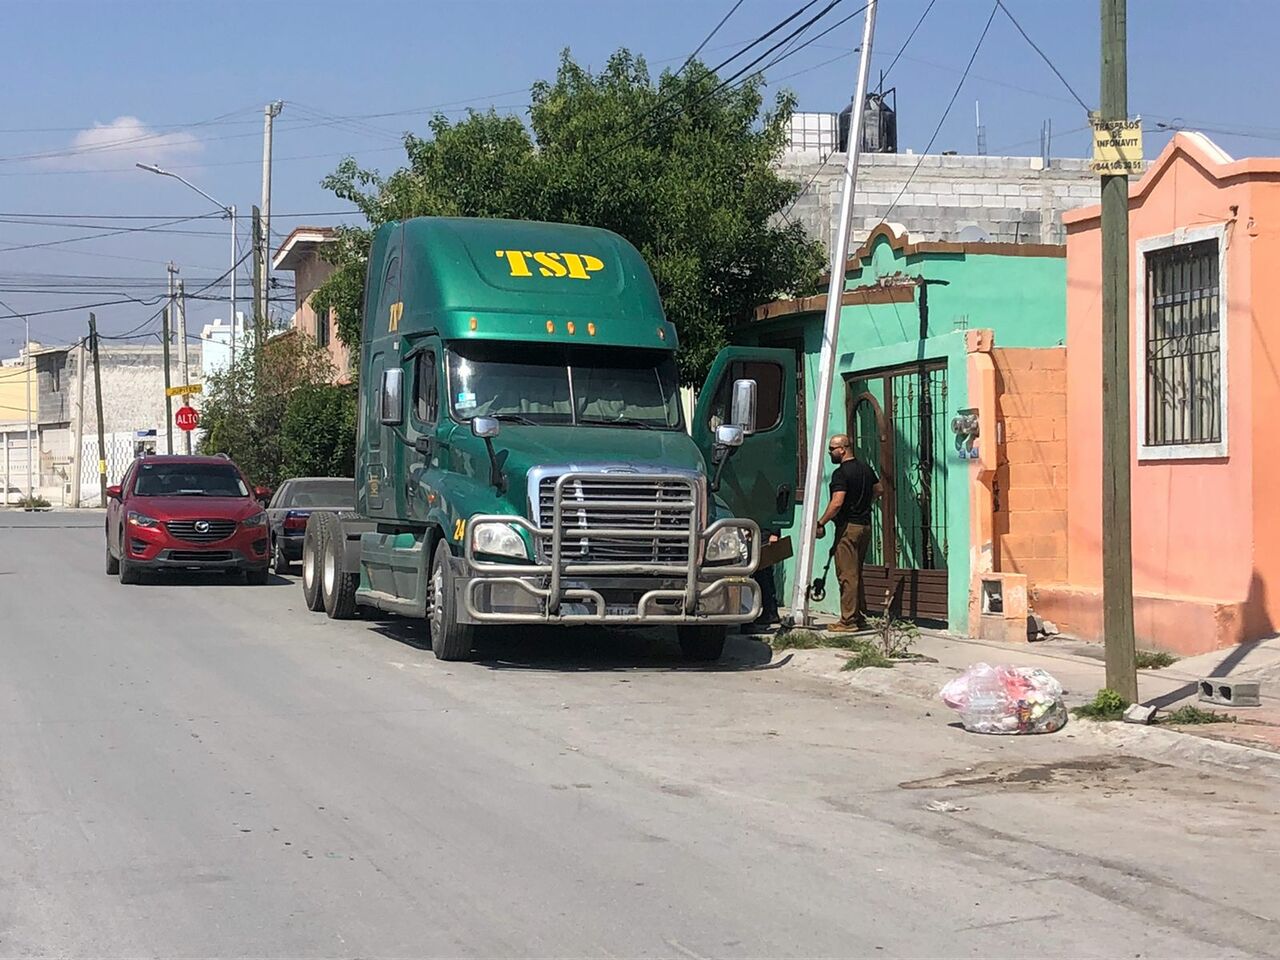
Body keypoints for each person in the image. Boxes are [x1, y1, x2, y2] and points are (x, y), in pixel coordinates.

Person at [815, 433, 881, 632]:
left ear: (842, 449)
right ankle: (859, 616)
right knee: (856, 572)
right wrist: (865, 505)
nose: (829, 453)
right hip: (865, 526)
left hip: (848, 528)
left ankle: (848, 621)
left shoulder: (841, 473)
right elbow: (879, 490)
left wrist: (821, 522)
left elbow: (837, 503)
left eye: (832, 449)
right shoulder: (866, 469)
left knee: (847, 575)